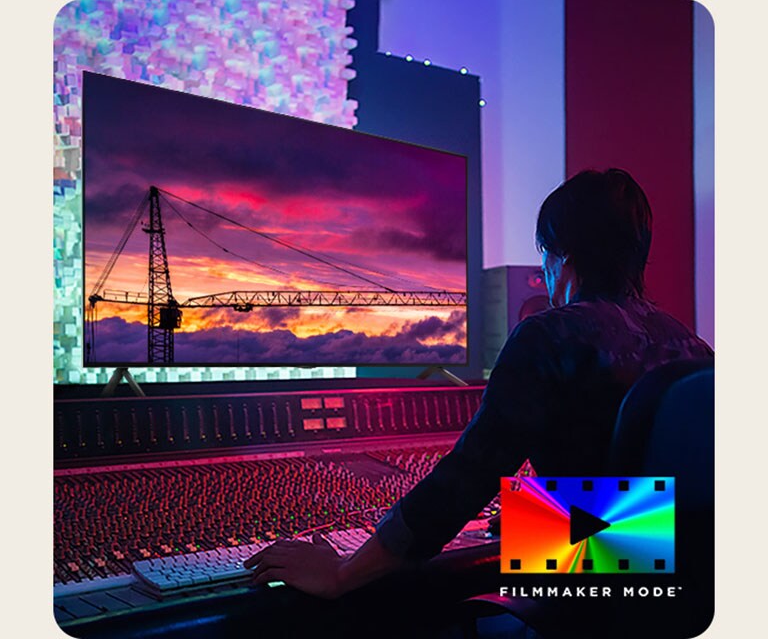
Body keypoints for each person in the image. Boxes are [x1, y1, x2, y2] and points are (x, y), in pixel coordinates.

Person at [244, 168, 714, 598]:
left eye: (544, 256)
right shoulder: (694, 348)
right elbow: (652, 512)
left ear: (562, 257)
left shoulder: (548, 336)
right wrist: (539, 515)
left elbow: (467, 479)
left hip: (593, 599)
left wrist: (344, 572)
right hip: (684, 590)